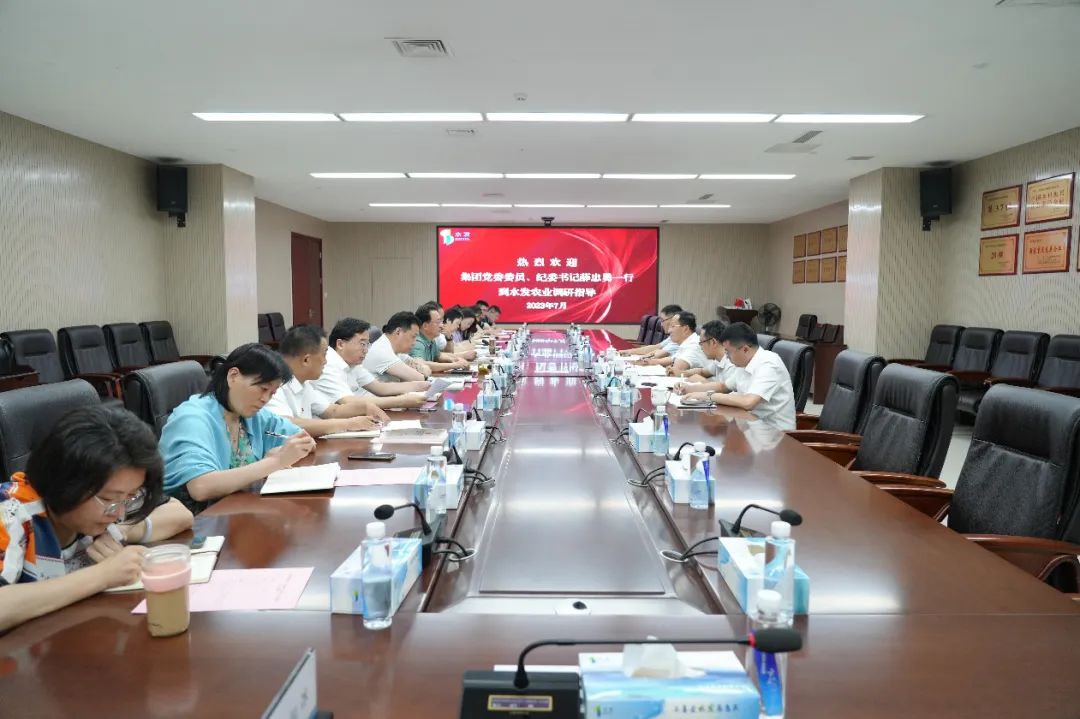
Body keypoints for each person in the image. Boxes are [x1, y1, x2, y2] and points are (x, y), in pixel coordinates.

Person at [0, 405, 194, 632]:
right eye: (108, 499)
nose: (118, 513)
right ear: (65, 481)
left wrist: (122, 530)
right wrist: (103, 575)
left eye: (130, 497)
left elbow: (181, 514)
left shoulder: (113, 498)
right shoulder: (11, 511)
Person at [160, 343, 316, 513]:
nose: (265, 399)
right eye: (263, 388)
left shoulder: (251, 414)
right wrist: (275, 462)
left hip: (235, 512)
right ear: (233, 376)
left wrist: (290, 449)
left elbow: (304, 440)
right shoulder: (192, 418)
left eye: (272, 393)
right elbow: (201, 487)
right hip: (194, 521)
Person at [267, 325, 390, 435]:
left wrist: (364, 407)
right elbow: (285, 424)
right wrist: (348, 424)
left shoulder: (304, 383)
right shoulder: (273, 384)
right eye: (324, 354)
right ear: (306, 360)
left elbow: (332, 411)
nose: (326, 361)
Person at [682, 322, 796, 431]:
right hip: (750, 424)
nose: (726, 356)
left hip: (775, 432)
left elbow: (748, 402)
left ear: (745, 349)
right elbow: (723, 387)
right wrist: (690, 388)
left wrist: (708, 396)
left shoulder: (769, 364)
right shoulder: (744, 362)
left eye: (728, 352)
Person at [309, 318, 429, 411]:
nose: (366, 350)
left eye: (367, 344)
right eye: (362, 344)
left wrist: (420, 386)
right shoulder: (327, 365)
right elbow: (349, 402)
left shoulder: (353, 363)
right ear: (340, 344)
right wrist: (401, 401)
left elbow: (380, 388)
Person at [674, 320, 744, 390]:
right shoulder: (718, 360)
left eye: (701, 342)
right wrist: (681, 373)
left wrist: (703, 382)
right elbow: (702, 372)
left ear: (713, 342)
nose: (700, 347)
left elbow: (726, 390)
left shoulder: (732, 364)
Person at [362, 311, 430, 381]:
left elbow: (421, 366)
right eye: (413, 336)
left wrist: (424, 369)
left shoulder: (396, 349)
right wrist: (424, 371)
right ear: (398, 332)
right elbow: (419, 378)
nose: (414, 343)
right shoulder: (381, 351)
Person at [411, 302, 471, 373]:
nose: (441, 326)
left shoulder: (431, 340)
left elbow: (439, 356)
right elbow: (421, 364)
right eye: (438, 322)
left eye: (441, 321)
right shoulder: (417, 342)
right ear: (425, 326)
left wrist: (456, 359)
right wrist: (455, 365)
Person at [638, 312, 706, 374]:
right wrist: (651, 361)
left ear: (685, 329)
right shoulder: (686, 343)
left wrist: (671, 368)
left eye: (673, 326)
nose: (669, 330)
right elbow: (673, 358)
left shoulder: (694, 345)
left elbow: (676, 371)